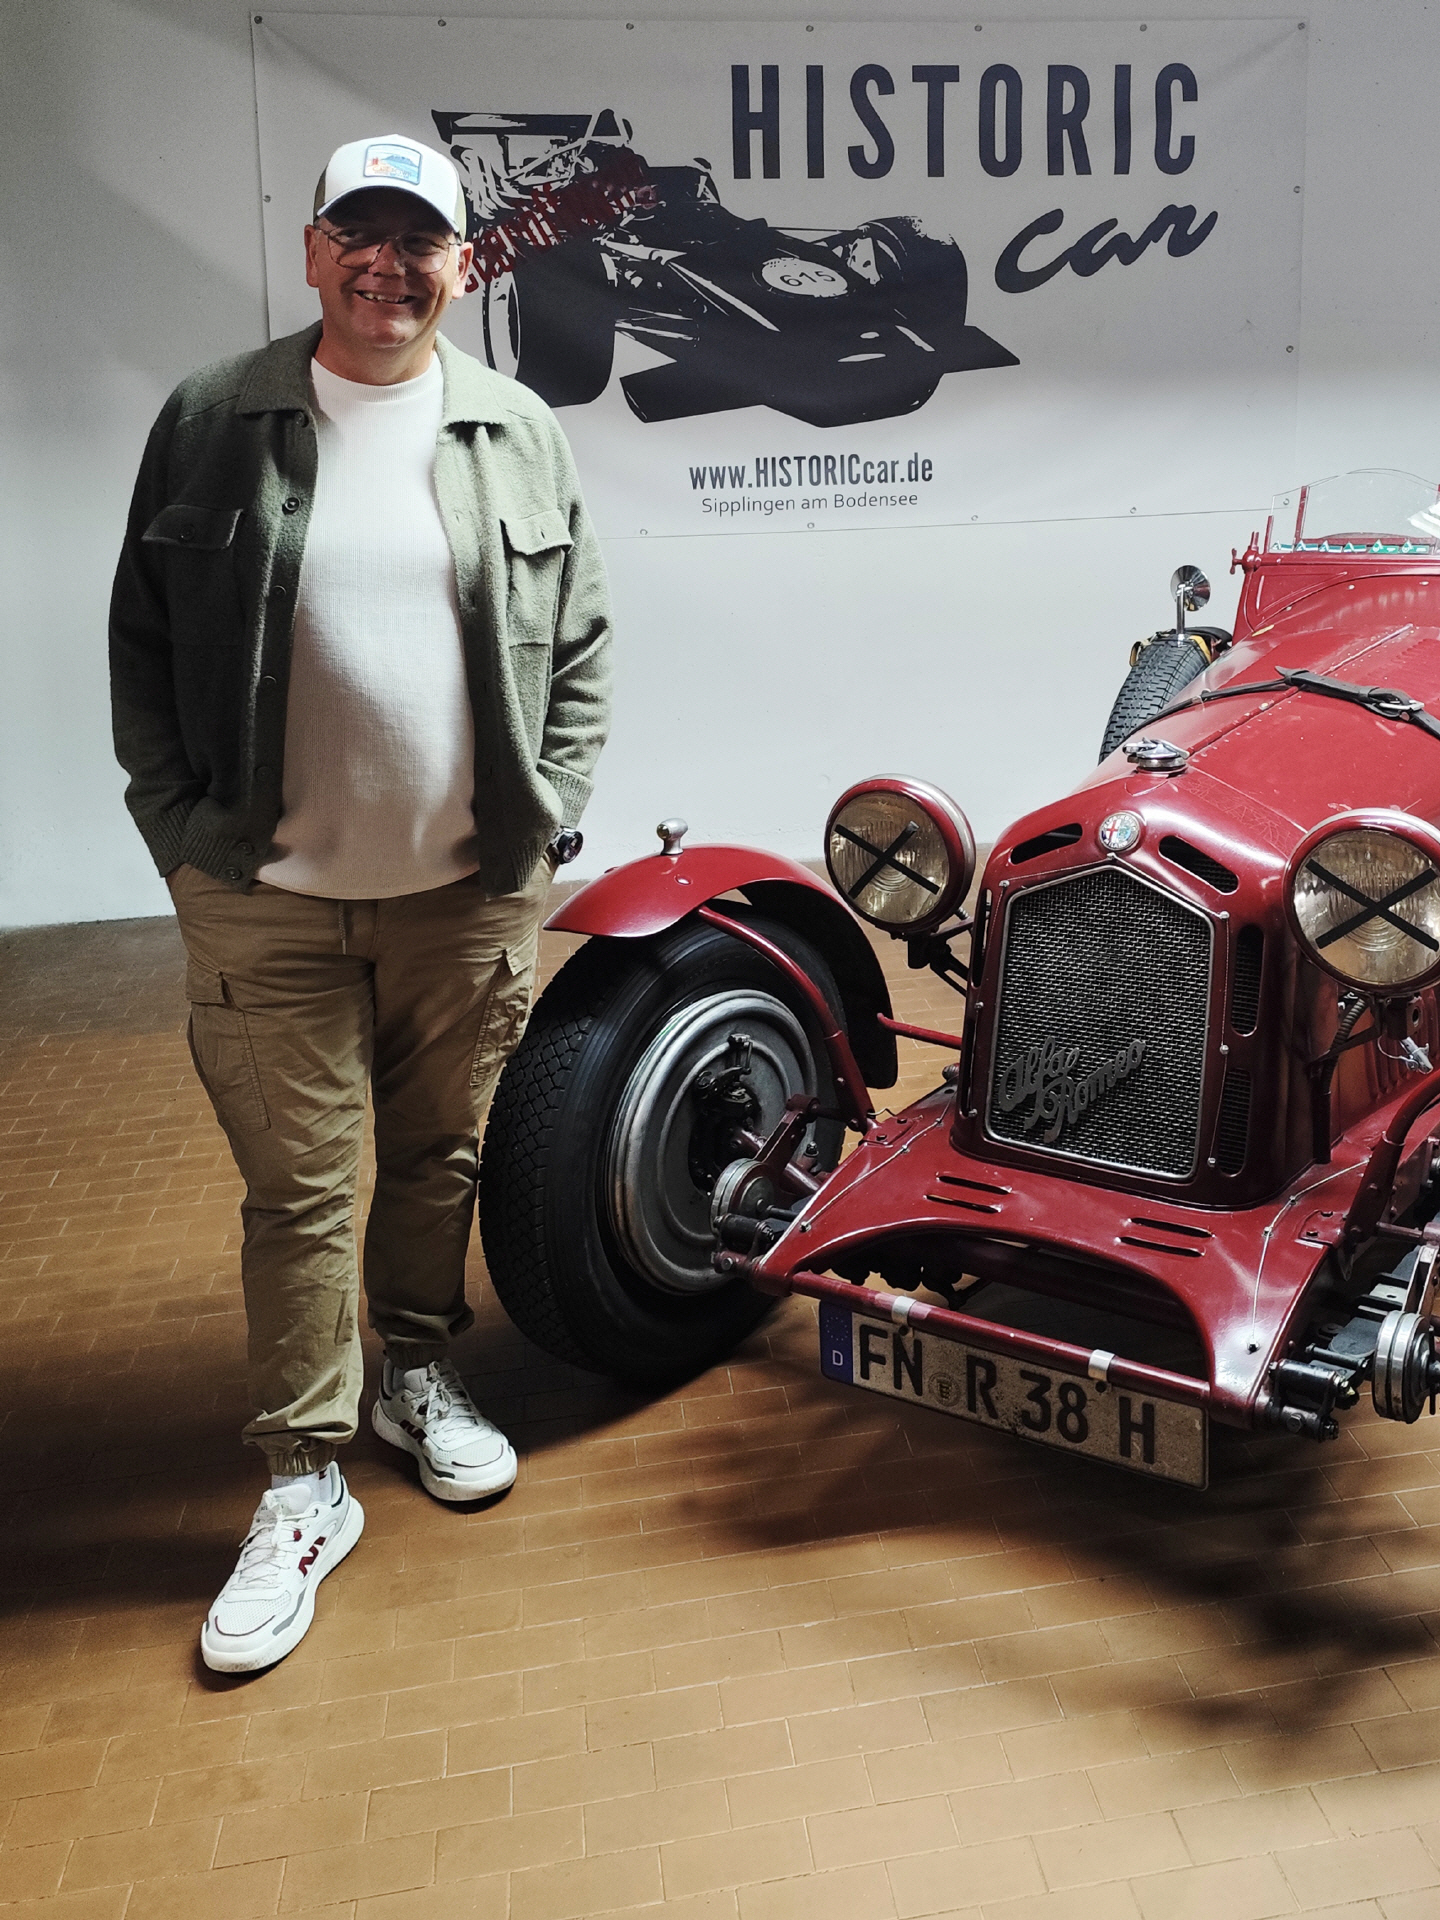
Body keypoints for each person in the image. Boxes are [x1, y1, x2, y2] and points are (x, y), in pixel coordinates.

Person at [109, 133, 612, 1671]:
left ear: (463, 263)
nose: (391, 266)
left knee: (438, 1156)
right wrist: (179, 833)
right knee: (302, 1191)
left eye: (423, 241)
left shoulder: (516, 429)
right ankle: (301, 1476)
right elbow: (141, 639)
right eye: (362, 235)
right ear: (317, 248)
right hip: (265, 901)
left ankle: (416, 1371)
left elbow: (581, 640)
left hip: (464, 897)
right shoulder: (215, 418)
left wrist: (551, 813)